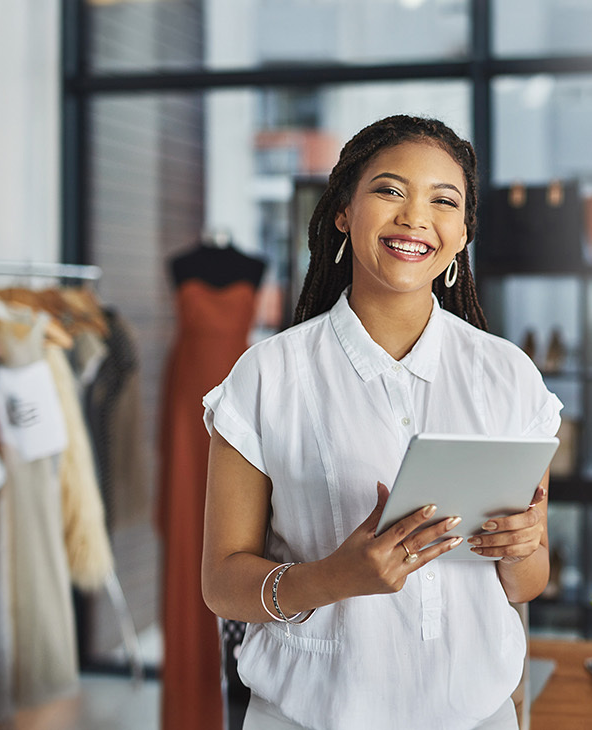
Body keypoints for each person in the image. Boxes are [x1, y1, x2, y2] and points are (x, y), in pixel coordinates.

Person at [201, 115, 562, 730]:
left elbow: (526, 582)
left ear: (462, 233)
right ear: (344, 210)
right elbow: (221, 583)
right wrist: (327, 580)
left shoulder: (509, 376)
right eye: (389, 190)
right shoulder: (267, 376)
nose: (415, 218)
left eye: (443, 201)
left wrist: (522, 547)